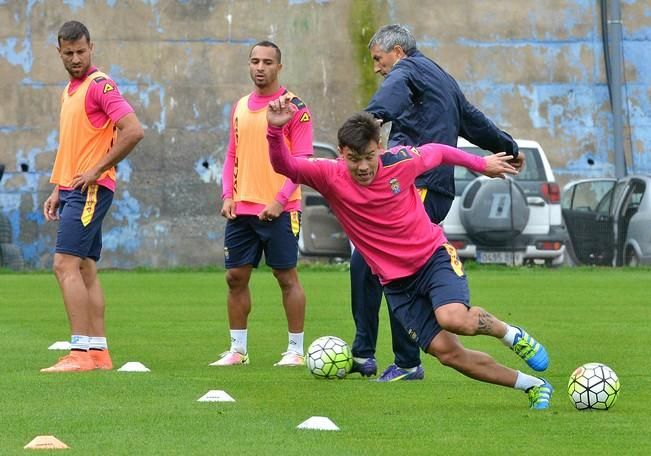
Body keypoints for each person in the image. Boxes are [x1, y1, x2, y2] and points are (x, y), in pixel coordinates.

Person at [267, 103, 553, 410]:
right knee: (448, 354)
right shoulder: (329, 175)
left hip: (432, 259)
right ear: (341, 153)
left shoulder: (400, 161)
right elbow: (286, 166)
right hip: (397, 286)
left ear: (380, 147)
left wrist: (481, 164)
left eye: (369, 157)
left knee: (453, 318)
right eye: (354, 159)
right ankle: (534, 386)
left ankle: (511, 334)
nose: (363, 167)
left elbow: (440, 152)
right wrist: (274, 130)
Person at [350, 24, 524, 381]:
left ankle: (399, 360)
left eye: (378, 59)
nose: (377, 68)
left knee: (386, 264)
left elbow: (390, 97)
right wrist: (509, 147)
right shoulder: (442, 79)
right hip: (435, 188)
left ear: (397, 52)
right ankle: (375, 354)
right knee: (368, 262)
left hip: (417, 185)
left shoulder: (408, 70)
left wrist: (367, 124)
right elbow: (474, 121)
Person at [41, 21, 144, 373]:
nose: (75, 58)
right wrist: (59, 187)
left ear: (91, 47)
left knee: (63, 264)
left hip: (90, 189)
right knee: (84, 267)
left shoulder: (100, 86)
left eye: (80, 51)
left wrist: (97, 170)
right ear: (59, 52)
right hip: (73, 188)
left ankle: (79, 353)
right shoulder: (70, 90)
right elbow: (77, 145)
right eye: (68, 53)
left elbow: (133, 130)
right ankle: (99, 353)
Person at [212, 41, 313, 367]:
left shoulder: (295, 107)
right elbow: (232, 154)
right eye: (254, 61)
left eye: (267, 62)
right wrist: (228, 194)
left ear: (279, 67)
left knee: (286, 277)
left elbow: (303, 162)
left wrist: (280, 200)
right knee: (234, 278)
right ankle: (237, 350)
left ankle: (295, 350)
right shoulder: (240, 106)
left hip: (281, 209)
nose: (260, 67)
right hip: (242, 208)